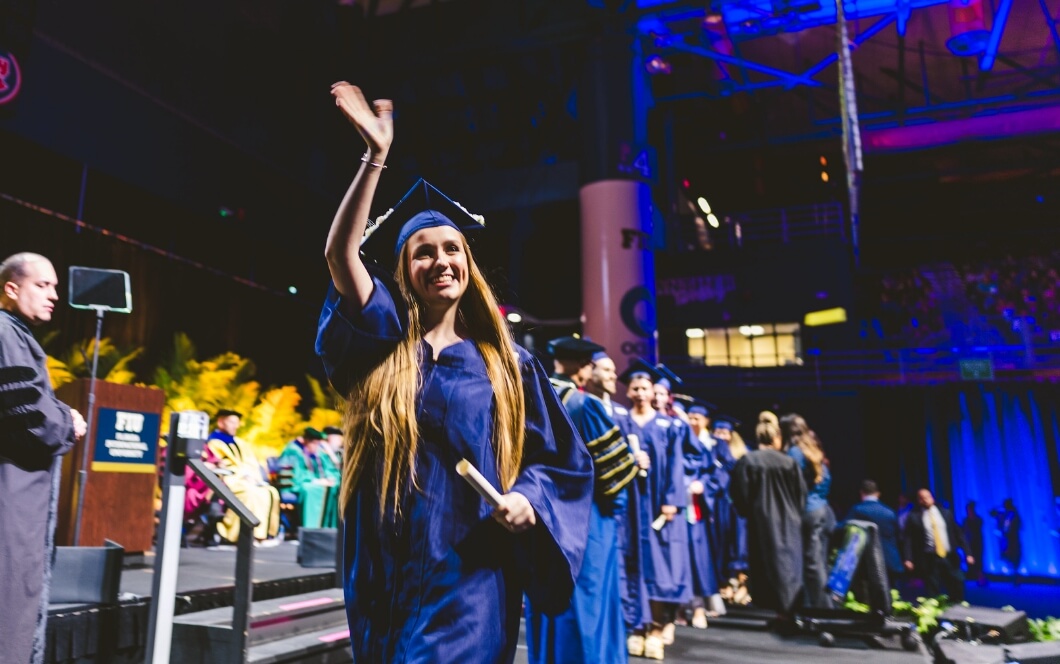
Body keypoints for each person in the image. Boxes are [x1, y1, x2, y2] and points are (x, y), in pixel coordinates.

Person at [317, 82, 593, 663]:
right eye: (423, 251)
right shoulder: (384, 348)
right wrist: (375, 158)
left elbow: (559, 462)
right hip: (382, 575)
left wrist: (529, 501)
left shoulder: (509, 368)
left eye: (452, 249)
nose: (440, 260)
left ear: (468, 265)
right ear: (403, 268)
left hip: (470, 573)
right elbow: (342, 255)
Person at [525, 336, 637, 664]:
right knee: (589, 605)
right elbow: (615, 475)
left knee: (547, 603)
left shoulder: (531, 397)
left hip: (541, 520)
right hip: (588, 524)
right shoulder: (583, 405)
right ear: (580, 367)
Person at [0, 252, 87, 664]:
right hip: (10, 498)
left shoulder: (15, 334)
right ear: (11, 288)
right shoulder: (3, 332)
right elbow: (28, 415)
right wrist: (68, 422)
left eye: (55, 286)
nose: (54, 295)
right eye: (42, 285)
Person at [613, 359, 690, 660]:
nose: (641, 392)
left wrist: (672, 499)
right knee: (632, 565)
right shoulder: (620, 421)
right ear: (628, 391)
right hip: (629, 506)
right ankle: (637, 627)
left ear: (653, 390)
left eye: (645, 387)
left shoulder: (668, 426)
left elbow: (675, 466)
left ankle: (657, 628)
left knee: (661, 567)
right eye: (635, 387)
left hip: (658, 506)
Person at [729, 419, 806, 620]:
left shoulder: (748, 460)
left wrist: (749, 511)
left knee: (764, 562)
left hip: (760, 519)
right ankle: (788, 610)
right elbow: (801, 494)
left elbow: (740, 494)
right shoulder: (789, 462)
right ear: (776, 437)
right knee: (788, 564)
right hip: (789, 520)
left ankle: (770, 607)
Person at [780, 413, 835, 608]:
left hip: (808, 512)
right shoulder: (813, 449)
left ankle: (824, 611)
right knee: (817, 562)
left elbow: (792, 486)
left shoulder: (794, 453)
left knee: (812, 564)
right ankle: (819, 607)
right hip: (822, 510)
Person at [204, 409, 282, 545]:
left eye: (237, 423)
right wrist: (243, 475)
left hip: (247, 479)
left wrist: (253, 477)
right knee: (249, 493)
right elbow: (221, 465)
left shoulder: (240, 443)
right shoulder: (213, 443)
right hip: (228, 480)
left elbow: (251, 463)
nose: (236, 426)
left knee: (270, 492)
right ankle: (238, 536)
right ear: (221, 422)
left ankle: (264, 535)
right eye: (232, 422)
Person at [902, 488, 973, 602]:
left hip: (949, 556)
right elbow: (908, 540)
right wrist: (908, 559)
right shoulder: (914, 517)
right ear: (918, 501)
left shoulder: (945, 513)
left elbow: (958, 534)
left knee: (957, 583)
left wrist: (968, 553)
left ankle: (958, 608)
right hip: (930, 558)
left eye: (927, 497)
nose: (925, 500)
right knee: (932, 589)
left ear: (932, 498)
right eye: (922, 498)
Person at [683, 402, 718, 628]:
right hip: (674, 509)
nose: (693, 421)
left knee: (696, 560)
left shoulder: (708, 447)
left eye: (698, 417)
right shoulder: (676, 441)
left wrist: (702, 485)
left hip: (694, 511)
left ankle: (697, 607)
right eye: (691, 417)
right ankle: (676, 609)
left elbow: (714, 477)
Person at [845, 480, 903, 588]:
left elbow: (845, 530)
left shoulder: (857, 510)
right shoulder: (890, 512)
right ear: (878, 494)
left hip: (867, 563)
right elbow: (899, 536)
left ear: (861, 493)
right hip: (890, 561)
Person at [279, 427, 339, 530]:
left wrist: (330, 478)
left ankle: (330, 528)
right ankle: (311, 529)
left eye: (318, 443)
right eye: (314, 443)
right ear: (306, 440)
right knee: (312, 490)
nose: (317, 447)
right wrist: (315, 480)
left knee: (335, 487)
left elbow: (329, 469)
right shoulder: (293, 451)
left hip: (316, 483)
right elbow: (296, 474)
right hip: (297, 485)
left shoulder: (318, 452)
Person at [990, 498, 1021, 580]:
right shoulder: (1007, 514)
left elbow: (1011, 526)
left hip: (1011, 539)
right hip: (1009, 539)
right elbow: (992, 513)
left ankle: (1015, 575)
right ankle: (1015, 574)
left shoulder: (1011, 514)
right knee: (1011, 556)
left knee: (1013, 556)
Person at [961, 501, 985, 586]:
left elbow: (977, 530)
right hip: (969, 544)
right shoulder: (965, 520)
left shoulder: (978, 519)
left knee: (978, 560)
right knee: (971, 561)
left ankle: (980, 577)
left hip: (977, 543)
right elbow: (963, 531)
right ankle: (973, 575)